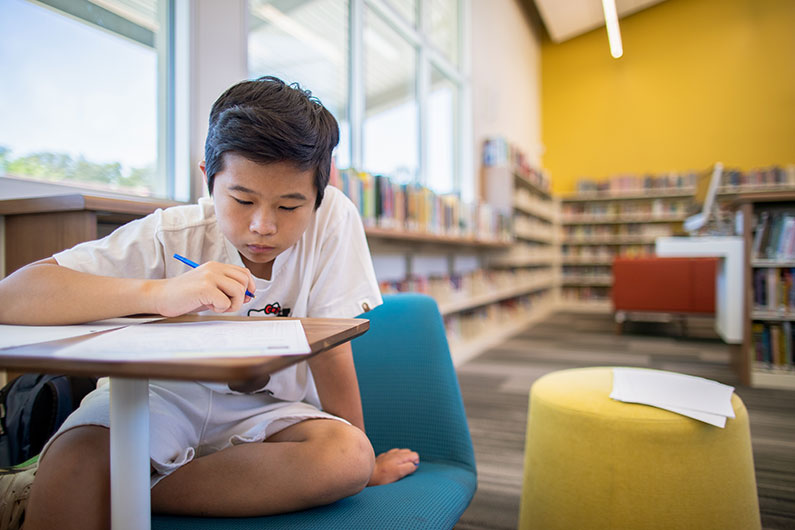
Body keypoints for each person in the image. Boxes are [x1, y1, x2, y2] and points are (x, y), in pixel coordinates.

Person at [0, 76, 419, 530]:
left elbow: (334, 347)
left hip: (266, 408)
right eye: (242, 199)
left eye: (289, 207)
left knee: (347, 457)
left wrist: (365, 463)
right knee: (76, 460)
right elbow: (13, 296)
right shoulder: (172, 233)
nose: (263, 226)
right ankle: (82, 482)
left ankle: (111, 490)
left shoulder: (332, 220)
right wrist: (159, 294)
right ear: (208, 177)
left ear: (320, 194)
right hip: (155, 395)